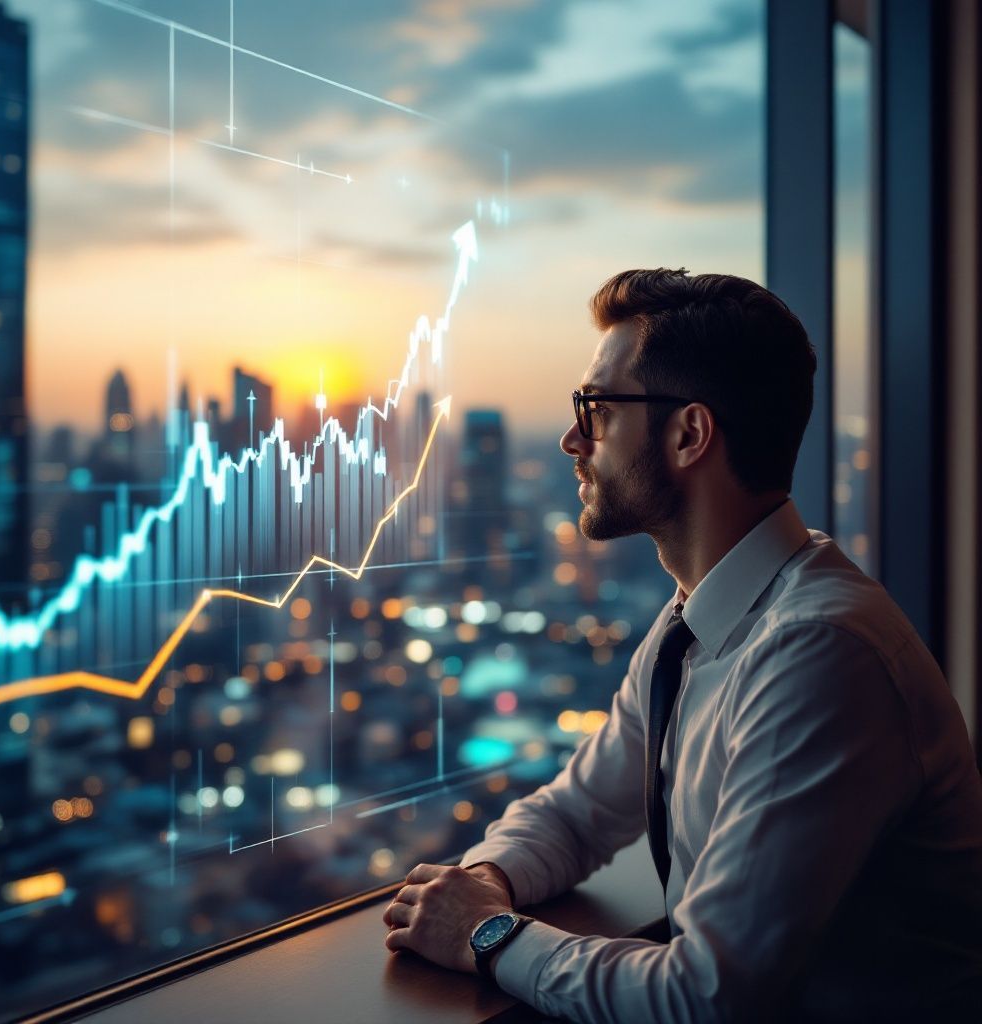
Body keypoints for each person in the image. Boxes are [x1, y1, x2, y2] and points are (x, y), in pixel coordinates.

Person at [381, 269, 982, 1022]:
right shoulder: (697, 623)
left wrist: (487, 934)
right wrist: (486, 882)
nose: (573, 438)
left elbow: (705, 994)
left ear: (690, 433)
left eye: (596, 410)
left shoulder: (821, 655)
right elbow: (575, 814)